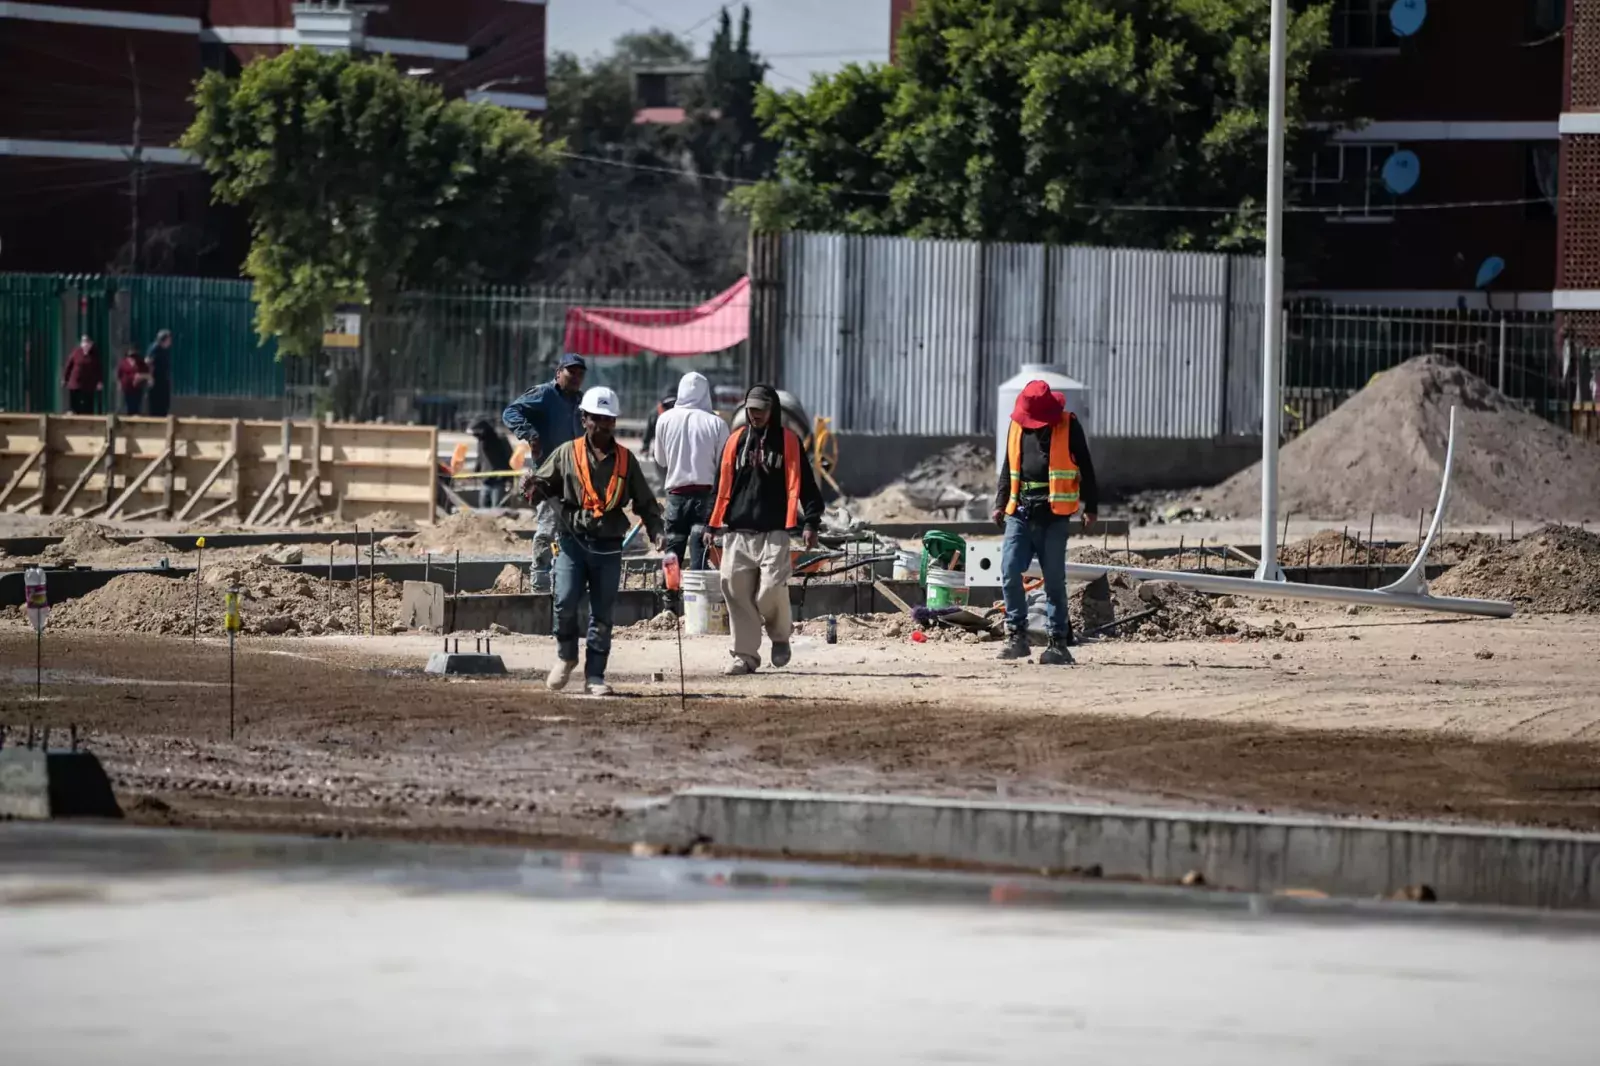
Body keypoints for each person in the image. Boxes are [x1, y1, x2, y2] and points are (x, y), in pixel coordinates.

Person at [526, 386, 663, 697]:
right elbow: (542, 487)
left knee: (602, 612)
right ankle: (566, 656)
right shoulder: (566, 453)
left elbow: (646, 503)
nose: (604, 425)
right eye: (598, 418)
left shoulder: (626, 461)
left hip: (608, 545)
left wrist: (658, 531)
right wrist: (532, 487)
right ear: (584, 418)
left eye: (609, 419)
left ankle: (595, 675)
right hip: (572, 540)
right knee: (565, 600)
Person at [704, 384, 824, 676]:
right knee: (734, 588)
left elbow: (807, 486)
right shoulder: (735, 442)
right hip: (737, 533)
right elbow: (720, 487)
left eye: (760, 409)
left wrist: (810, 522)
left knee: (769, 591)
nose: (754, 415)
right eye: (751, 409)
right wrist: (710, 524)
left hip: (774, 532)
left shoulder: (789, 443)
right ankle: (744, 656)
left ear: (772, 411)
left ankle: (780, 636)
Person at [991, 379, 1099, 666]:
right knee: (1010, 569)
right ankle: (1016, 635)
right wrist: (1000, 503)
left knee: (1053, 579)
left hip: (1054, 515)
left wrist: (1092, 507)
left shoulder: (1068, 426)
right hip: (1020, 511)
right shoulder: (1016, 427)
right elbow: (1008, 468)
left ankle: (1058, 643)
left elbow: (1086, 467)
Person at [504, 354, 587, 585]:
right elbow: (510, 412)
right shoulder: (545, 394)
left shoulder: (580, 402)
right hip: (549, 476)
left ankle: (563, 578)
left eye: (580, 374)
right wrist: (531, 435)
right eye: (572, 372)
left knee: (572, 532)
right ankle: (539, 581)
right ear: (558, 372)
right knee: (547, 529)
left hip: (575, 478)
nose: (576, 378)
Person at [651, 372, 729, 570]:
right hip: (705, 499)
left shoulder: (664, 420)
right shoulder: (717, 424)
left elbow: (660, 460)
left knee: (672, 554)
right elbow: (724, 465)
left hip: (676, 497)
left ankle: (670, 597)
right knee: (699, 553)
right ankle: (697, 598)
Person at [469, 418, 514, 510]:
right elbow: (480, 458)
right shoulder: (481, 441)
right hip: (485, 481)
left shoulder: (500, 439)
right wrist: (475, 472)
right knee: (483, 508)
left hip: (499, 481)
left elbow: (510, 457)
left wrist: (511, 478)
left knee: (496, 509)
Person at [62, 335, 101, 415]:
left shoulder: (94, 355)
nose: (85, 344)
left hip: (88, 384)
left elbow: (98, 369)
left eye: (87, 342)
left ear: (91, 344)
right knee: (75, 405)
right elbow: (68, 366)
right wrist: (65, 379)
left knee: (87, 406)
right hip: (75, 383)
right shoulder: (76, 353)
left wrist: (99, 381)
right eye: (83, 342)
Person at [145, 329, 173, 417]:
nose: (170, 341)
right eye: (169, 339)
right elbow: (148, 362)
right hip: (156, 381)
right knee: (156, 405)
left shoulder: (164, 350)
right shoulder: (155, 348)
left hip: (163, 380)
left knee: (164, 403)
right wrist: (150, 377)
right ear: (163, 339)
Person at [640, 387, 676, 454]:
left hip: (661, 450)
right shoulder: (683, 410)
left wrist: (645, 446)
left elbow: (649, 431)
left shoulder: (655, 412)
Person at [115, 346, 149, 416]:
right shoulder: (123, 363)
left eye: (133, 356)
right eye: (130, 356)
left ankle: (136, 418)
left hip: (138, 387)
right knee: (128, 404)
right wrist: (119, 385)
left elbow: (147, 373)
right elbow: (119, 374)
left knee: (136, 405)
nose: (132, 358)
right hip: (127, 387)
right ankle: (129, 420)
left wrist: (140, 377)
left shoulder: (140, 363)